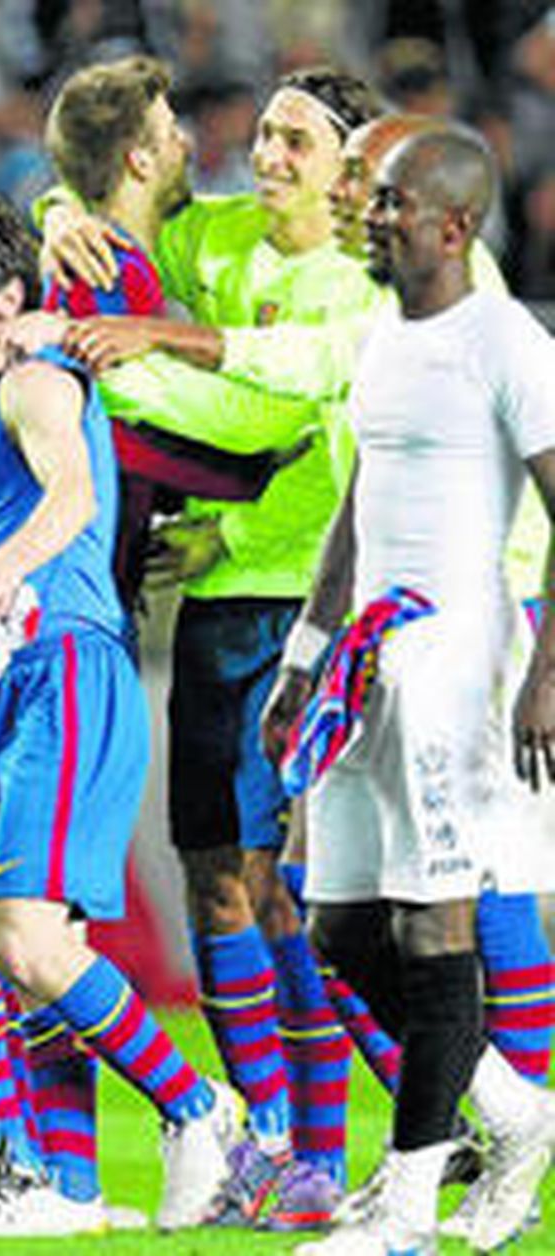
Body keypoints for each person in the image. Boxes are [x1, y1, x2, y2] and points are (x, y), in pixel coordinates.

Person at [38, 67, 386, 1224]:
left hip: (318, 603)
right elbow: (116, 227)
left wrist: (133, 355)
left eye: (295, 141)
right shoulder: (215, 237)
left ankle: (361, 1143)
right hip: (222, 604)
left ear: (347, 167)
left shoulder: (360, 279)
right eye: (268, 135)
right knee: (215, 880)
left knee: (299, 887)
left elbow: (281, 415)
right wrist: (62, 219)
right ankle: (270, 1144)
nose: (265, 155)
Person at [0, 190, 243, 1238]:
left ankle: (197, 1110)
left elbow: (73, 502)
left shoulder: (36, 375)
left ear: (10, 295)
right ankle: (10, 1162)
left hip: (59, 667)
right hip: (0, 675)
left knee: (27, 940)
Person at [261, 124, 555, 1256]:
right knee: (334, 922)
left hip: (453, 660)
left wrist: (542, 670)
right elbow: (354, 509)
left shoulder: (506, 343)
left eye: (390, 201)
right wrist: (303, 655)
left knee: (435, 923)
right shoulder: (383, 335)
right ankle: (517, 1111)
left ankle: (405, 1212)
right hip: (364, 658)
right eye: (372, 200)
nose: (371, 216)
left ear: (455, 222)